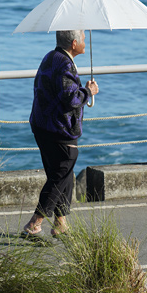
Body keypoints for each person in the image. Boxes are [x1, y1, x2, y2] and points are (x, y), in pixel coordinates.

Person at [22, 29, 99, 239]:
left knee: (63, 175)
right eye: (83, 39)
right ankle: (34, 224)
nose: (85, 42)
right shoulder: (65, 64)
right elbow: (70, 99)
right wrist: (88, 91)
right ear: (74, 43)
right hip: (58, 128)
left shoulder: (51, 57)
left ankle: (61, 223)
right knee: (59, 176)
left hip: (42, 124)